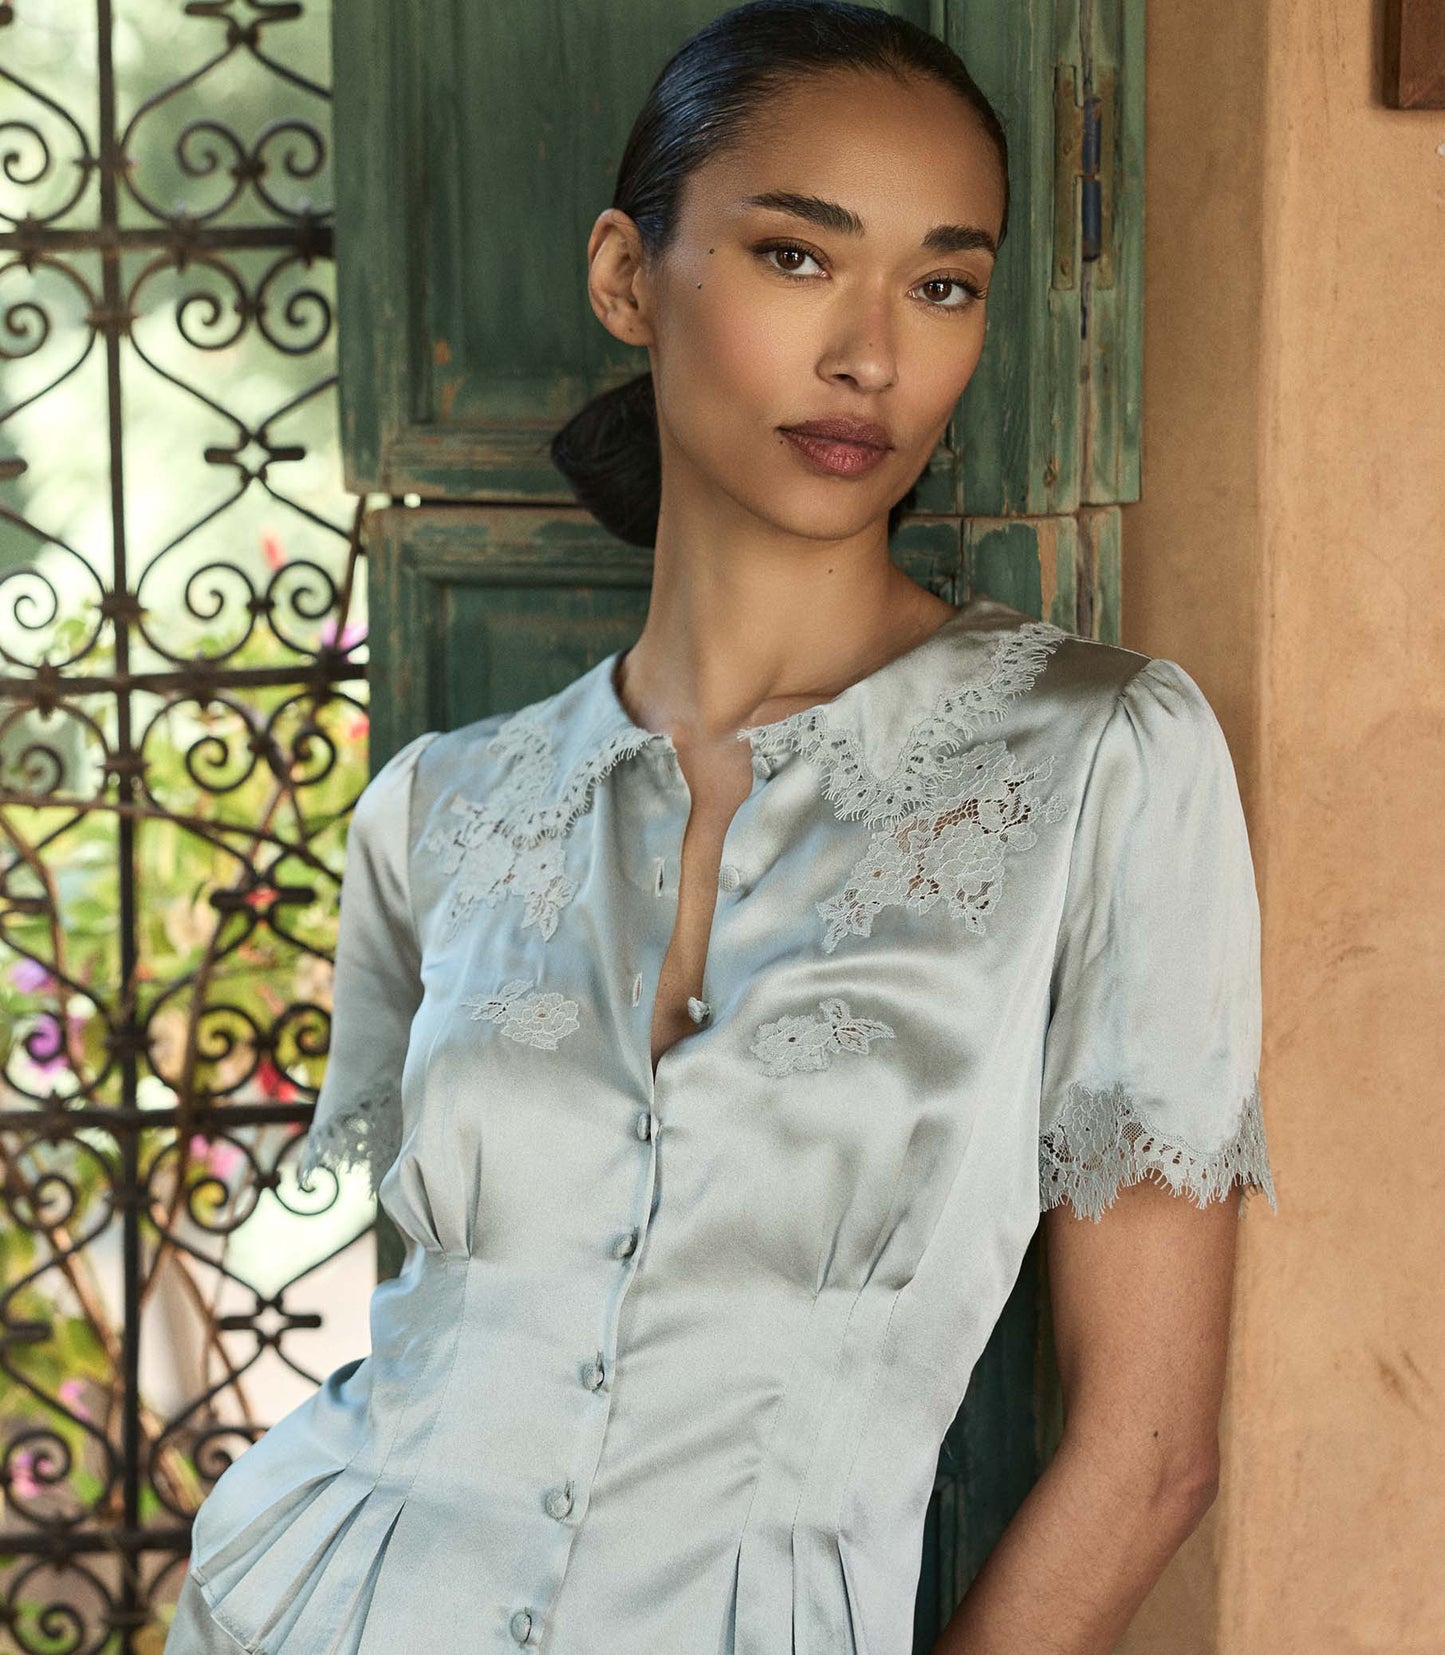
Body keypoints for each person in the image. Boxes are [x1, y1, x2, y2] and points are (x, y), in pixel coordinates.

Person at [164, 3, 1278, 1652]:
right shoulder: (443, 813)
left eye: (943, 284)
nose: (872, 358)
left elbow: (1151, 1455)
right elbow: (442, 1327)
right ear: (628, 277)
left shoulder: (1103, 754)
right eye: (796, 258)